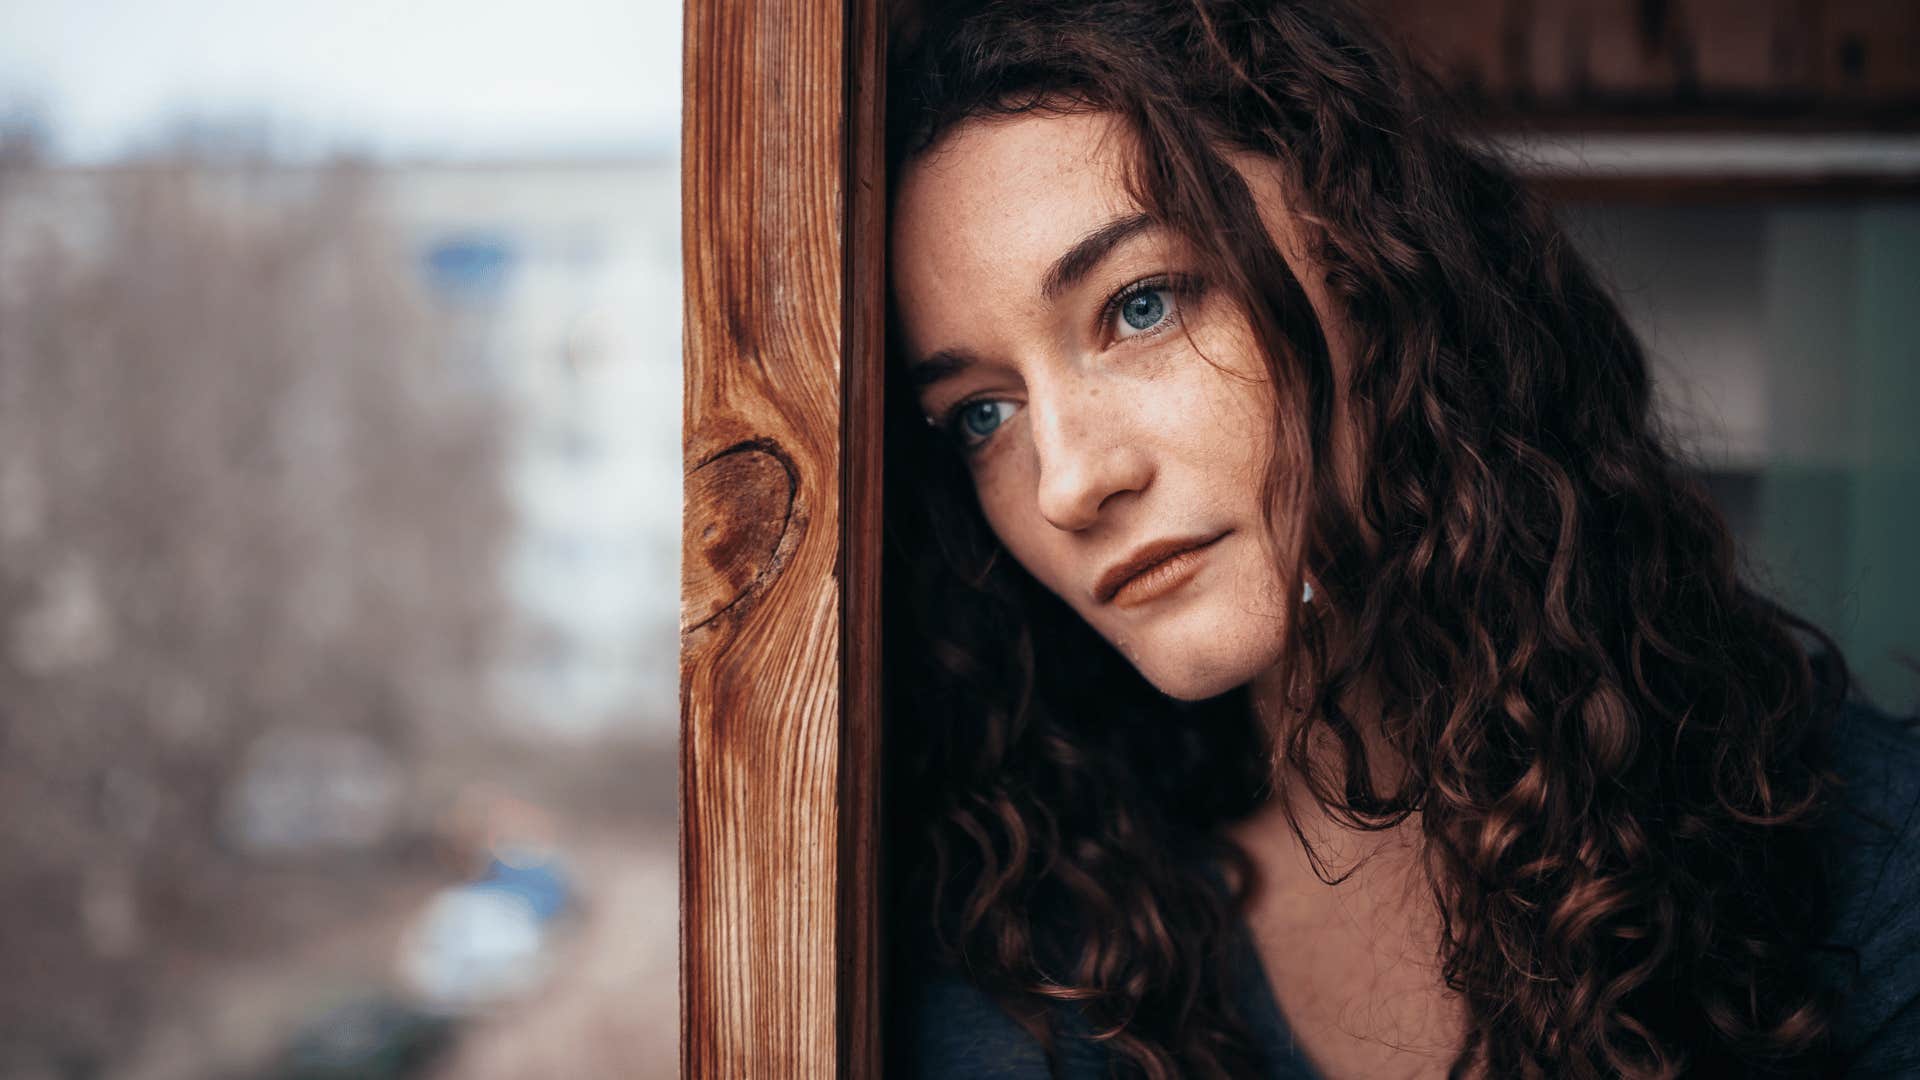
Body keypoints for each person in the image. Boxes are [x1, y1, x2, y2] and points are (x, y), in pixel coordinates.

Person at [878, 1, 1920, 1077]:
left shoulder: (1850, 848)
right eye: (981, 414)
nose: (1069, 483)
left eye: (1140, 305)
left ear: (1373, 266)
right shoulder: (1051, 967)